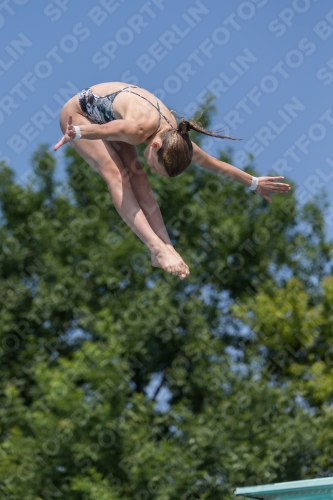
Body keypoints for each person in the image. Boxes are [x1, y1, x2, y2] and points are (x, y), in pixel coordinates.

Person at [54, 82, 291, 280]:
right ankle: (155, 247)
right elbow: (108, 130)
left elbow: (214, 164)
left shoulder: (176, 138)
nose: (155, 172)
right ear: (155, 146)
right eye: (158, 167)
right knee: (116, 175)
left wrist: (254, 183)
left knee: (140, 179)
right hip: (79, 116)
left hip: (108, 118)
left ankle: (166, 247)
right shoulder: (137, 129)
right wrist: (77, 132)